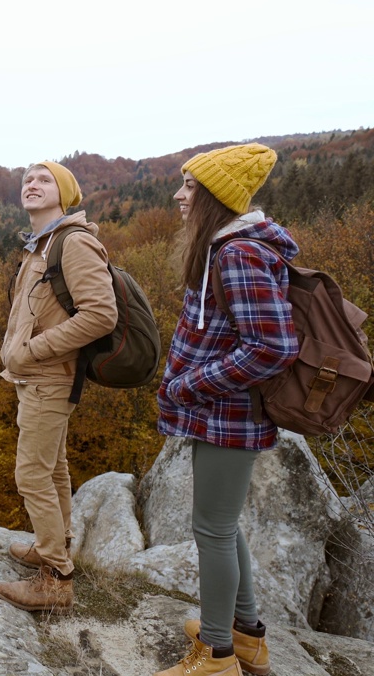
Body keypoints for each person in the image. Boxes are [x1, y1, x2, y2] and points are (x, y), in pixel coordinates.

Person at [153, 143, 296, 676]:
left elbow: (273, 347)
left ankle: (214, 653)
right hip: (222, 411)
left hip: (227, 413)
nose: (179, 195)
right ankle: (246, 634)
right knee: (222, 524)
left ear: (216, 196)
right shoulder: (228, 247)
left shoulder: (238, 253)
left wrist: (189, 385)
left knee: (211, 529)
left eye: (190, 186)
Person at [0, 161, 116, 613]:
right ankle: (57, 547)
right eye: (28, 179)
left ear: (64, 194)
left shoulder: (75, 243)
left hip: (49, 375)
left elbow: (101, 314)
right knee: (55, 467)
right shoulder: (40, 245)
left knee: (30, 473)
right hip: (36, 376)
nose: (32, 184)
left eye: (44, 179)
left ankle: (55, 579)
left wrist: (35, 350)